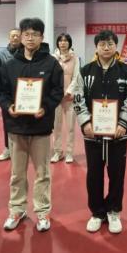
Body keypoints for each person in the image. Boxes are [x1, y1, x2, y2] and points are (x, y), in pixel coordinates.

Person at [0, 17, 64, 232]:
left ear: (41, 37)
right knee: (17, 174)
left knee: (42, 173)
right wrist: (8, 107)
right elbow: (2, 92)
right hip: (16, 127)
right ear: (21, 37)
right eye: (26, 34)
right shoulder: (10, 65)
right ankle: (17, 209)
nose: (30, 38)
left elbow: (57, 92)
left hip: (40, 127)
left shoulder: (51, 64)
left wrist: (45, 107)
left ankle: (42, 212)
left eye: (35, 34)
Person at [71, 29, 127, 234]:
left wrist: (123, 123)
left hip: (118, 133)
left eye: (110, 44)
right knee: (94, 173)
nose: (106, 48)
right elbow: (78, 97)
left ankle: (114, 211)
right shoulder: (86, 71)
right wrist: (85, 122)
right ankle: (97, 213)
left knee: (117, 173)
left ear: (116, 47)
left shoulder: (125, 71)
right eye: (102, 44)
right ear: (96, 47)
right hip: (93, 133)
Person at [51, 33, 80, 164]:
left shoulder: (75, 58)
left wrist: (69, 91)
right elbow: (50, 77)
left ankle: (69, 152)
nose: (63, 43)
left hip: (69, 97)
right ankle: (57, 152)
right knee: (56, 126)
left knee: (70, 127)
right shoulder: (52, 58)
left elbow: (76, 76)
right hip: (55, 97)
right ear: (57, 43)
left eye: (65, 41)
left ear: (69, 43)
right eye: (60, 41)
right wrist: (55, 93)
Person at [0, 28, 21, 161]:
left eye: (17, 35)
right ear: (9, 37)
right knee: (7, 122)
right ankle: (7, 148)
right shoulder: (2, 54)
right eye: (13, 36)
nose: (15, 38)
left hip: (23, 93)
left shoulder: (25, 52)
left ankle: (21, 149)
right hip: (7, 93)